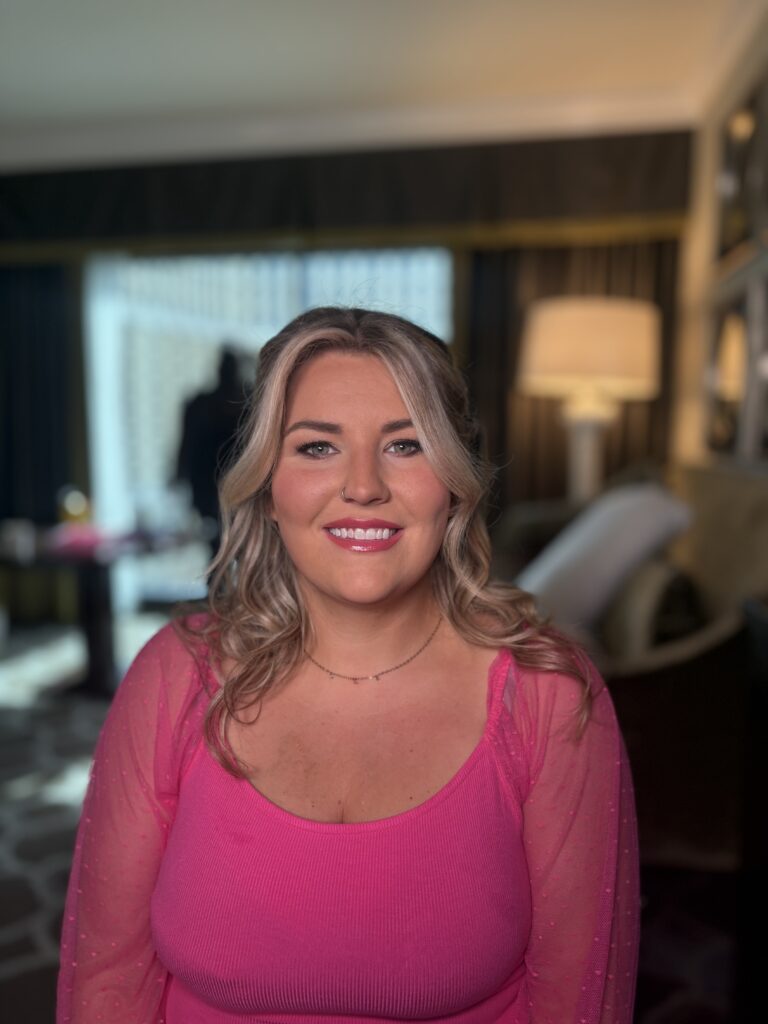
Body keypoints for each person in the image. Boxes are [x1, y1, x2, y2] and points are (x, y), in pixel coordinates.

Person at [58, 307, 639, 1024]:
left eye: (406, 444)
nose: (363, 486)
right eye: (317, 447)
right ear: (268, 485)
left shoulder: (549, 695)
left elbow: (579, 1001)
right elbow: (107, 982)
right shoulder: (174, 677)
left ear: (454, 482)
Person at [175, 346, 248, 553]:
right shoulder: (202, 405)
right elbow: (187, 444)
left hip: (237, 484)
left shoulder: (248, 404)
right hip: (209, 485)